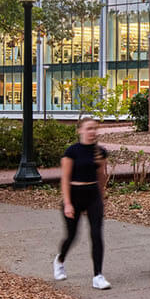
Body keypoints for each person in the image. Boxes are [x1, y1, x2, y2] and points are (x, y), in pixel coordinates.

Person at [53, 117, 110, 289]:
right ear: (80, 130)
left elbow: (101, 176)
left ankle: (98, 275)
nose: (92, 132)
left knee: (96, 234)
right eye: (89, 128)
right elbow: (65, 178)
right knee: (72, 236)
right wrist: (68, 203)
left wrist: (101, 197)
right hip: (74, 195)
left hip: (93, 195)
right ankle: (60, 260)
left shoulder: (99, 152)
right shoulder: (72, 152)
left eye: (94, 128)